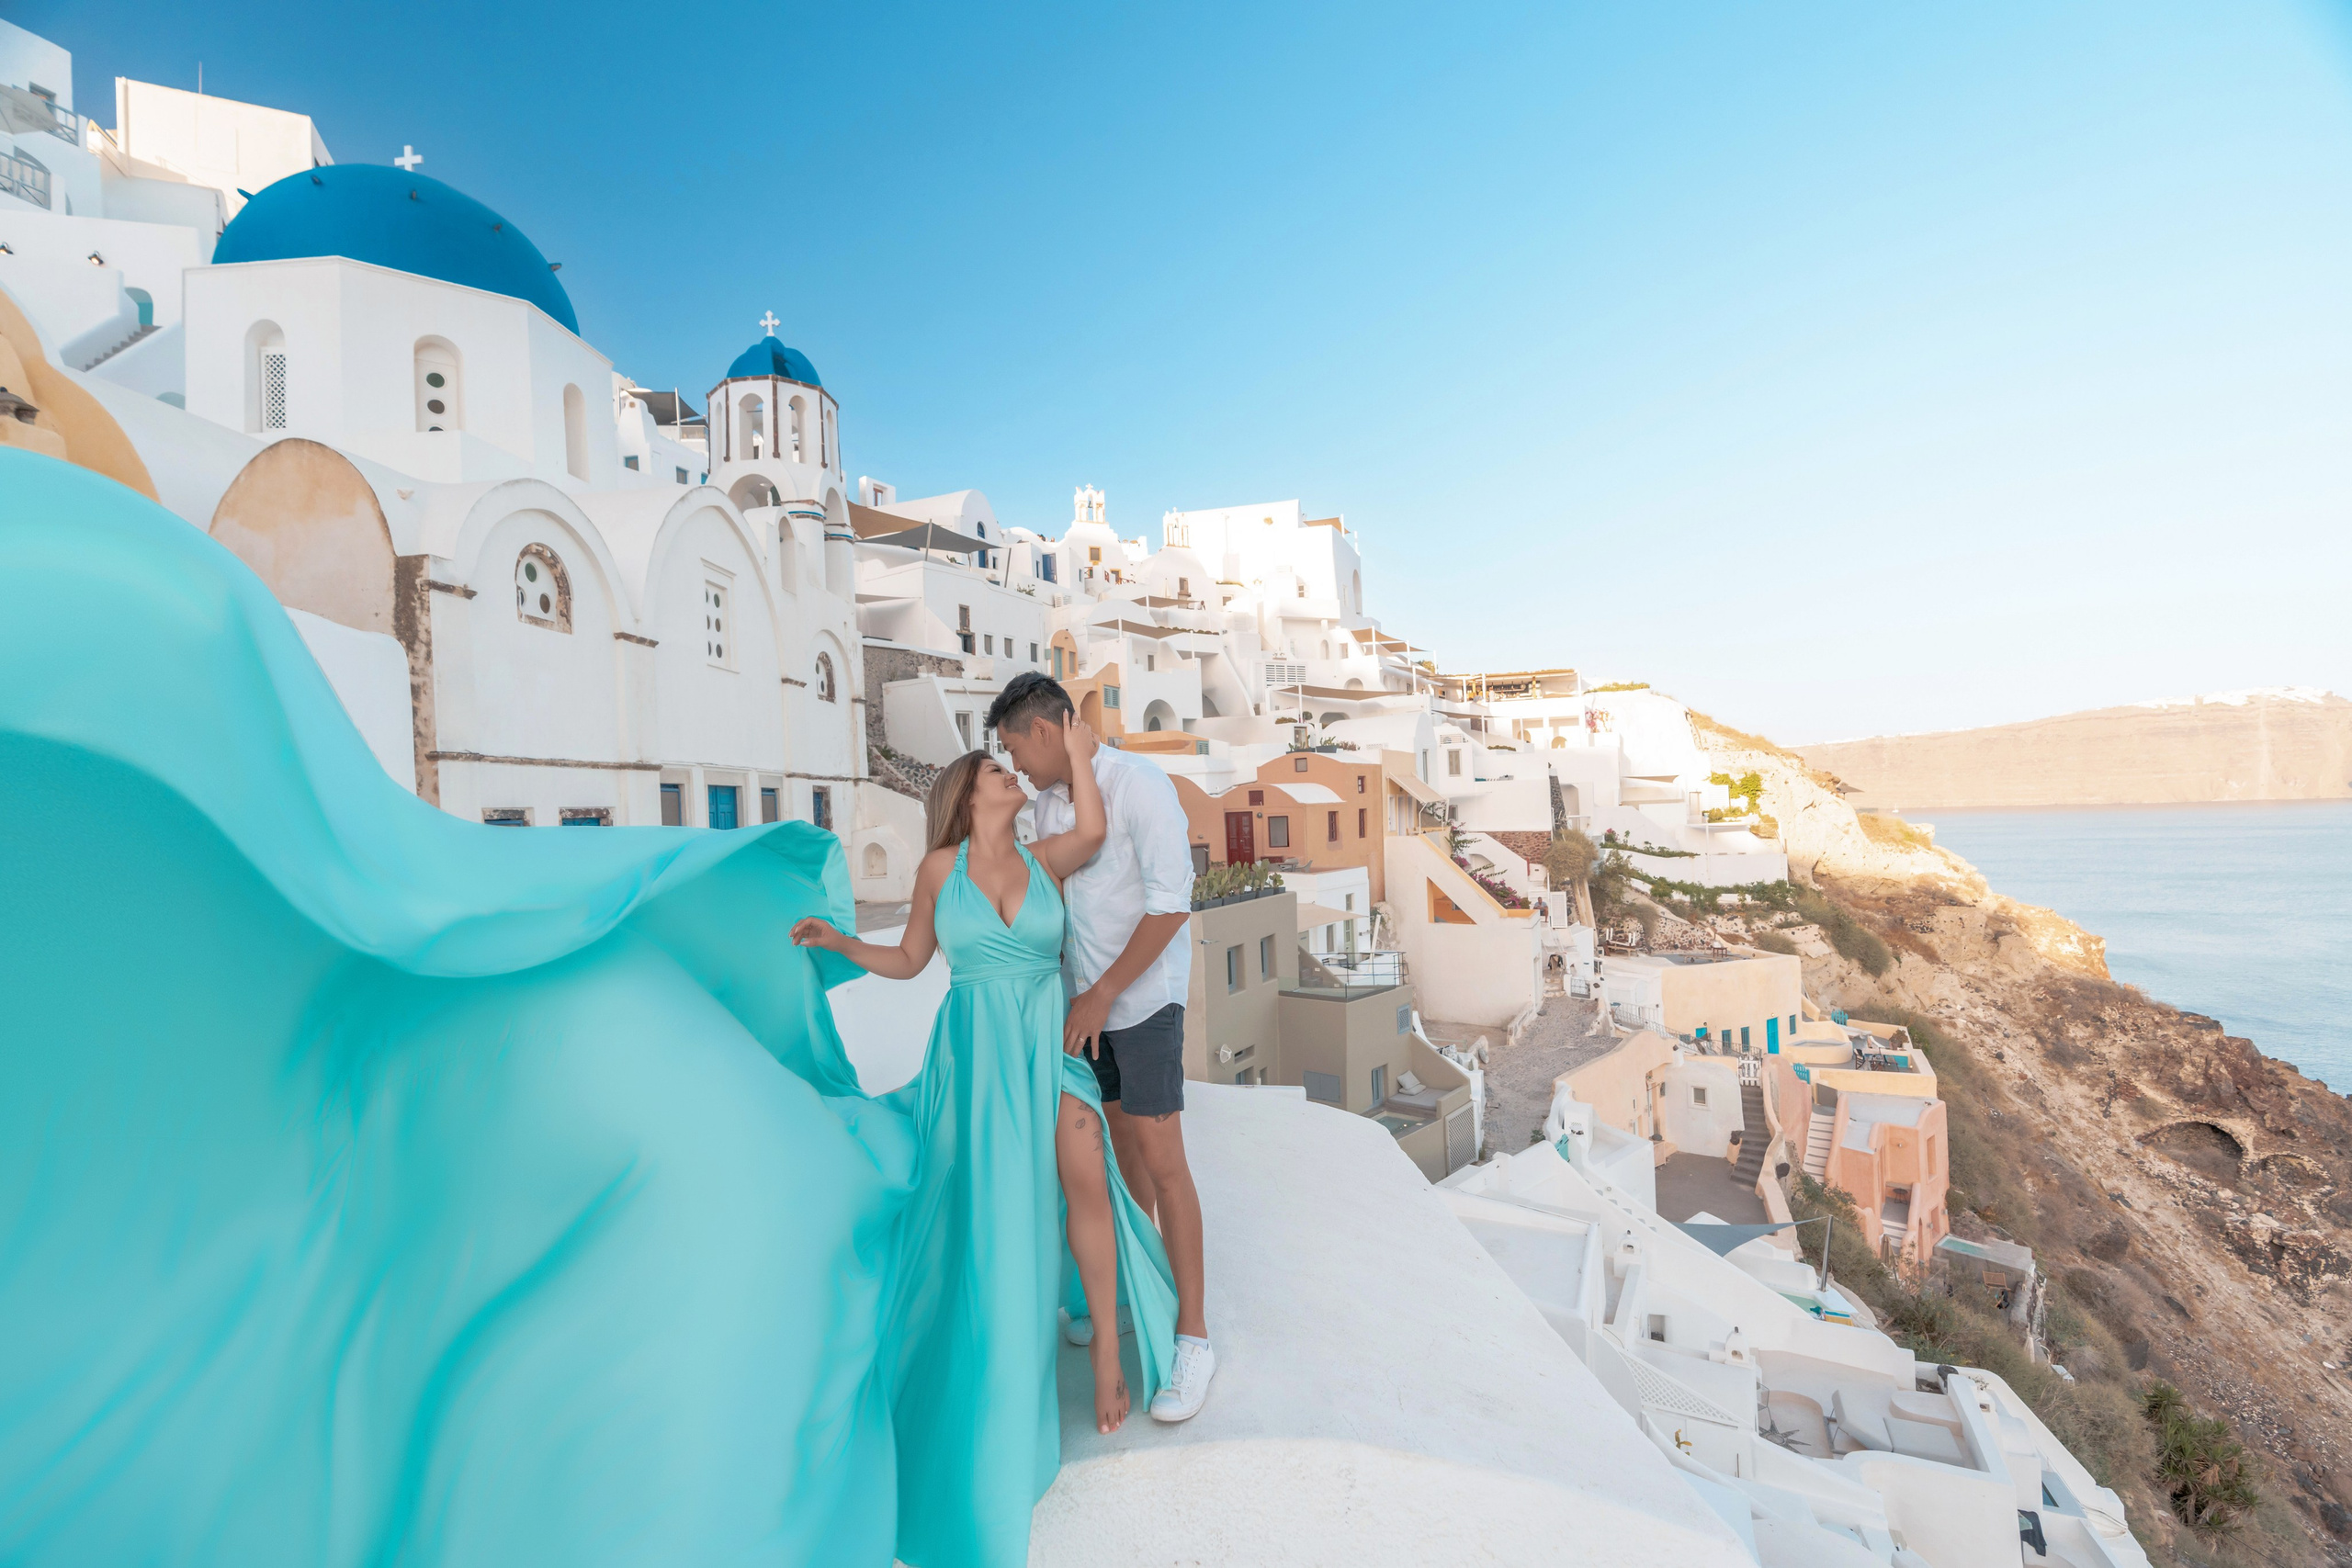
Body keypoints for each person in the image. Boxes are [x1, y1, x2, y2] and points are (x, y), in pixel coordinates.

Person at [790, 722, 1177, 1568]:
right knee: (986, 1220)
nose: (1013, 777)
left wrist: (1076, 744)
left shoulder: (1046, 859)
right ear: (970, 795)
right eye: (999, 772)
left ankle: (1109, 1343)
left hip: (1049, 1043)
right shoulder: (939, 870)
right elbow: (909, 957)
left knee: (1085, 1171)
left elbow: (1099, 829)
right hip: (973, 1057)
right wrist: (839, 943)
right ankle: (998, 1362)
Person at [986, 671, 1218, 1425]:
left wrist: (1105, 992)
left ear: (1046, 731)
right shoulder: (1054, 801)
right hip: (1084, 1010)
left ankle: (1193, 1336)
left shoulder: (1139, 785)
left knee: (1164, 1163)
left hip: (1141, 1003)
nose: (1015, 764)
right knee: (1118, 1166)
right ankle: (1127, 1292)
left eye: (1016, 746)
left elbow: (1170, 903)